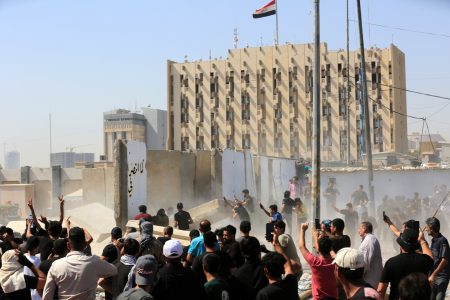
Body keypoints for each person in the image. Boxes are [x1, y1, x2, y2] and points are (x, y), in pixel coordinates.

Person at [42, 227, 117, 300]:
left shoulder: (56, 265)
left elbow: (47, 296)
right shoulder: (94, 262)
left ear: (68, 245)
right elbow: (114, 270)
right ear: (85, 245)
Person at [377, 228, 434, 300]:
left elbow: (381, 291)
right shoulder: (424, 260)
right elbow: (430, 256)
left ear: (401, 246)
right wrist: (422, 240)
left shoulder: (391, 262)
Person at [298, 222, 338, 300]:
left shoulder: (315, 262)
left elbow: (301, 246)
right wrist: (318, 238)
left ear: (318, 249)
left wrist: (303, 230)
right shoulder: (336, 261)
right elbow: (331, 251)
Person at [425, 217, 450, 300]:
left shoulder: (442, 240)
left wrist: (433, 274)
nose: (426, 229)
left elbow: (445, 260)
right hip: (433, 276)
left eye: (427, 227)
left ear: (431, 228)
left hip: (441, 276)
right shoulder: (434, 240)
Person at [358, 221, 383, 288]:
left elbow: (366, 261)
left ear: (364, 229)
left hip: (370, 277)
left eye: (359, 228)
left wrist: (359, 275)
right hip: (372, 276)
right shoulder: (370, 239)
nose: (358, 230)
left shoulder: (369, 240)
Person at [23, 236, 42, 300]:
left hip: (24, 288)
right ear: (35, 247)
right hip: (34, 290)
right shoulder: (37, 260)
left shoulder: (23, 257)